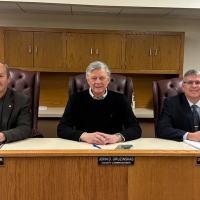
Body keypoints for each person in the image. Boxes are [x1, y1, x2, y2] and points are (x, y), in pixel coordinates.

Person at [57, 61, 141, 144]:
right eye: (94, 78)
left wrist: (115, 138)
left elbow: (135, 128)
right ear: (88, 80)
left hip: (112, 147)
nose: (98, 82)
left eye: (102, 78)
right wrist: (85, 136)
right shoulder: (75, 99)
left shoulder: (120, 99)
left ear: (108, 80)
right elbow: (62, 128)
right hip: (84, 146)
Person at [156, 69, 200, 141]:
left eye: (198, 82)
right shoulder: (171, 103)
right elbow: (161, 129)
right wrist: (189, 136)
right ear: (183, 86)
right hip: (180, 147)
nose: (194, 86)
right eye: (190, 82)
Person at [0, 63, 31, 143]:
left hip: (9, 146)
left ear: (8, 78)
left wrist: (4, 136)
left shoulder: (22, 100)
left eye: (1, 76)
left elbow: (25, 128)